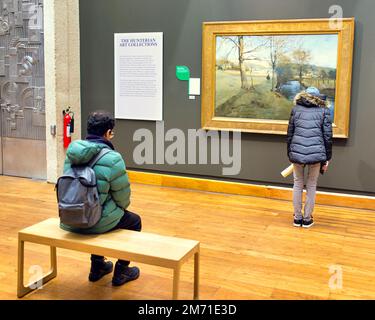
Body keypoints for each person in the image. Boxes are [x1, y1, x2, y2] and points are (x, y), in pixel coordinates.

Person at [60, 111, 141, 286]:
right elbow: (123, 198)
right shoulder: (112, 158)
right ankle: (122, 270)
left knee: (97, 208)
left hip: (69, 217)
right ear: (108, 133)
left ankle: (97, 267)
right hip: (93, 222)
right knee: (134, 221)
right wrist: (119, 208)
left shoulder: (72, 153)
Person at [287, 87, 333, 228]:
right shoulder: (324, 111)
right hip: (316, 153)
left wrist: (290, 152)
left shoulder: (296, 110)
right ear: (319, 97)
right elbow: (327, 137)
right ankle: (307, 219)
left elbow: (289, 133)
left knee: (297, 183)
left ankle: (297, 218)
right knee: (311, 185)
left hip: (297, 152)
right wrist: (327, 158)